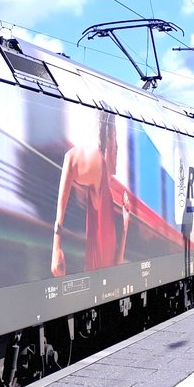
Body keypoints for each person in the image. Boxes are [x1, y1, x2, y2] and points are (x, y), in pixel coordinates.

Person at [51, 110, 132, 277]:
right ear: (107, 138)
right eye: (114, 138)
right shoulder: (99, 170)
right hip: (96, 283)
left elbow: (117, 263)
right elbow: (70, 159)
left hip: (106, 284)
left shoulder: (107, 196)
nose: (117, 149)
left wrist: (125, 223)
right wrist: (56, 244)